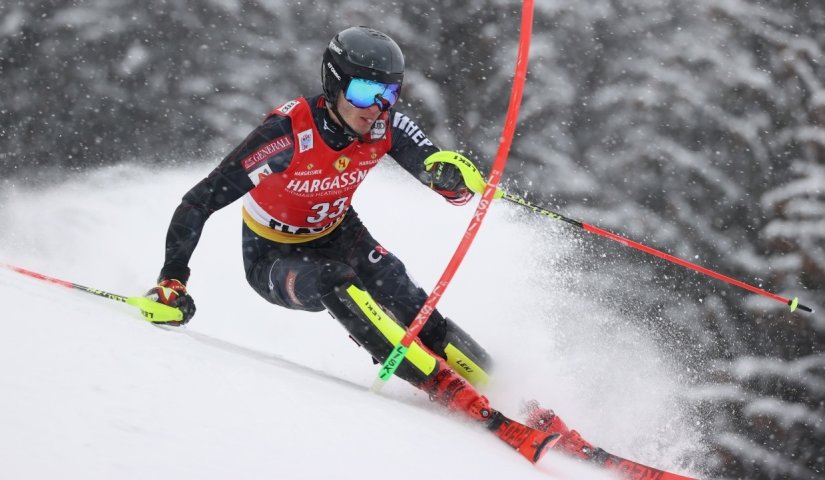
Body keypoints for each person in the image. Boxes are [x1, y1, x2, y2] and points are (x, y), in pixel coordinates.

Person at [146, 26, 561, 460]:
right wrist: (173, 280)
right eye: (365, 92)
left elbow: (438, 174)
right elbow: (198, 202)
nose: (377, 108)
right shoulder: (286, 134)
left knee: (410, 304)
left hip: (341, 234)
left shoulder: (387, 126)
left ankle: (518, 400)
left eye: (389, 93)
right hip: (273, 256)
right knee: (335, 282)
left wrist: (452, 181)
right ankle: (451, 393)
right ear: (334, 82)